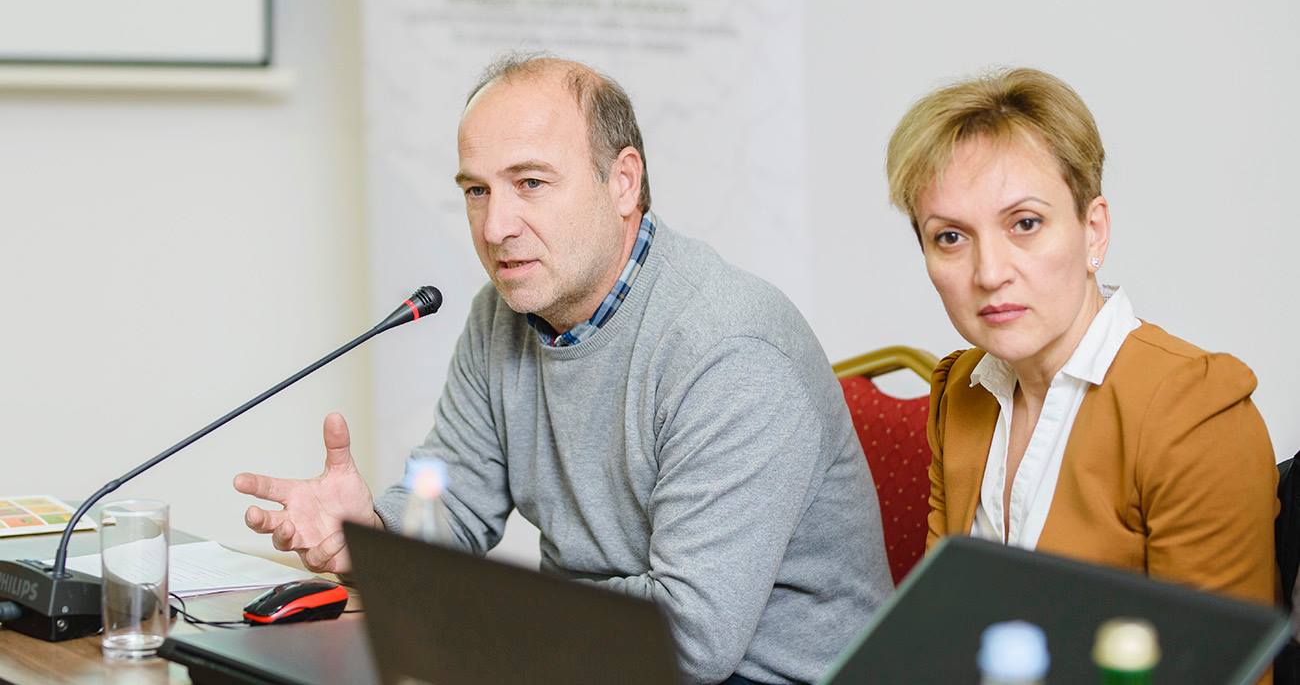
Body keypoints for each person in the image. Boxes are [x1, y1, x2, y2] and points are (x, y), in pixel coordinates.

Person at [235, 54, 892, 685]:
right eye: (476, 190)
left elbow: (690, 639)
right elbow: (453, 504)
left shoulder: (729, 346)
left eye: (530, 183)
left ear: (623, 182)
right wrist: (373, 536)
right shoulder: (500, 316)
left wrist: (485, 613)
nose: (495, 226)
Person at [884, 67, 1277, 605]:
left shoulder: (1194, 412)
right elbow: (941, 619)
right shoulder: (961, 394)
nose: (989, 272)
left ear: (1094, 230)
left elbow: (1216, 652)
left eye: (1025, 223)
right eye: (950, 236)